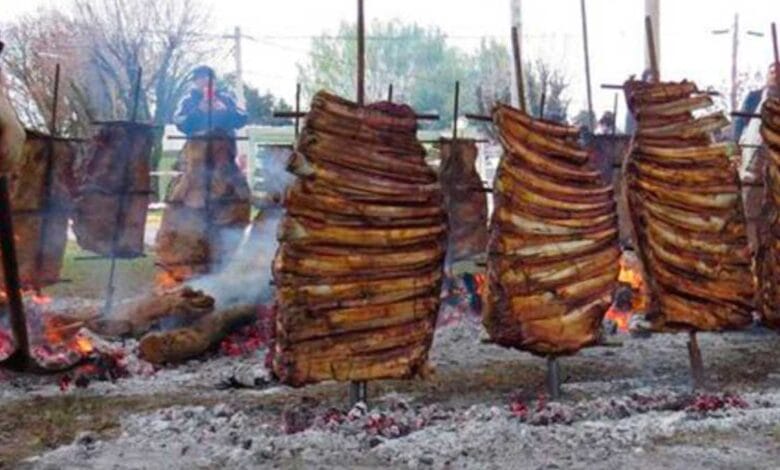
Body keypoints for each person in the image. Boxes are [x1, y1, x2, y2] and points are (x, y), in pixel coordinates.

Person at [174, 65, 248, 137]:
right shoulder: (187, 101)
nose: (207, 80)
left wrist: (225, 110)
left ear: (215, 81)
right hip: (197, 146)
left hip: (224, 146)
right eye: (202, 77)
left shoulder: (226, 99)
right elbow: (180, 124)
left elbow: (242, 119)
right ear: (195, 82)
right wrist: (199, 111)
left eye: (210, 77)